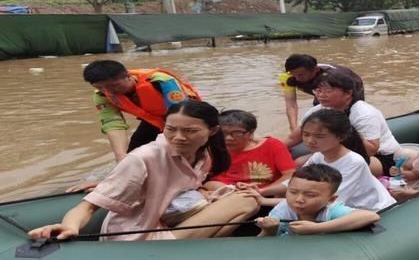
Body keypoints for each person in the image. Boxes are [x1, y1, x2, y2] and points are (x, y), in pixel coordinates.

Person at [28, 101, 259, 241]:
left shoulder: (205, 155)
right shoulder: (144, 157)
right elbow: (88, 206)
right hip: (138, 237)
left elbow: (179, 187)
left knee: (243, 197)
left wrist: (209, 193)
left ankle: (198, 246)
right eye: (171, 129)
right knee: (246, 201)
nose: (178, 137)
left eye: (189, 131)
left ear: (212, 130)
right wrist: (70, 226)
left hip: (165, 222)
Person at [267, 109, 395, 211]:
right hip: (337, 208)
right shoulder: (319, 156)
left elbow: (327, 201)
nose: (310, 141)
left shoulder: (354, 162)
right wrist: (261, 191)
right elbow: (296, 181)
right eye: (306, 135)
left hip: (370, 211)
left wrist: (265, 201)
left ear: (341, 137)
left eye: (319, 136)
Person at [285, 70, 401, 176]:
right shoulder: (318, 111)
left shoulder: (364, 113)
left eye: (327, 91)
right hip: (335, 151)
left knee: (334, 169)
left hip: (380, 157)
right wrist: (272, 147)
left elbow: (371, 149)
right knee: (299, 163)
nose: (321, 95)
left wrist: (343, 128)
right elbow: (293, 137)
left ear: (348, 93)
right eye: (318, 90)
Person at [83, 60, 201, 162]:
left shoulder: (160, 81)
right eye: (100, 88)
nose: (108, 91)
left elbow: (181, 114)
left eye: (113, 86)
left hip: (188, 117)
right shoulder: (102, 96)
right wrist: (121, 156)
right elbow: (113, 124)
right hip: (154, 120)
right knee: (132, 155)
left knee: (181, 152)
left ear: (128, 76)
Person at [254, 164, 380, 236]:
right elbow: (262, 243)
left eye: (310, 195)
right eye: (293, 192)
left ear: (331, 199)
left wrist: (315, 228)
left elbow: (370, 216)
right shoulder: (283, 209)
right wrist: (268, 230)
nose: (299, 199)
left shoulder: (330, 211)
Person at [203, 110, 296, 196]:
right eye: (223, 133)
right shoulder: (211, 148)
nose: (228, 138)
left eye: (237, 133)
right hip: (224, 192)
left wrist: (261, 192)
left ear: (251, 132)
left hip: (261, 193)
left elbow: (290, 175)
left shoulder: (272, 145)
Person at [280, 54, 364, 131]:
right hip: (318, 86)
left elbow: (340, 102)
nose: (297, 79)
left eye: (301, 75)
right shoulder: (287, 77)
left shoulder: (331, 76)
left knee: (350, 111)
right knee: (320, 111)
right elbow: (291, 104)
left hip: (351, 85)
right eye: (293, 75)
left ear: (316, 70)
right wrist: (293, 128)